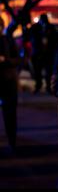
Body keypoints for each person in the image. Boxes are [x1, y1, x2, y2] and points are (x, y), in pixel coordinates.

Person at [0, 17, 20, 149]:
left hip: (8, 80)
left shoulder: (7, 40)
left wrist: (5, 60)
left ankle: (12, 140)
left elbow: (17, 59)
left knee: (10, 113)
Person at [30, 13, 58, 94]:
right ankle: (38, 85)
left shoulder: (51, 27)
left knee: (48, 71)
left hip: (48, 53)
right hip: (38, 53)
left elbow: (55, 39)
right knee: (37, 71)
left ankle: (48, 87)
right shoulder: (35, 27)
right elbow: (32, 38)